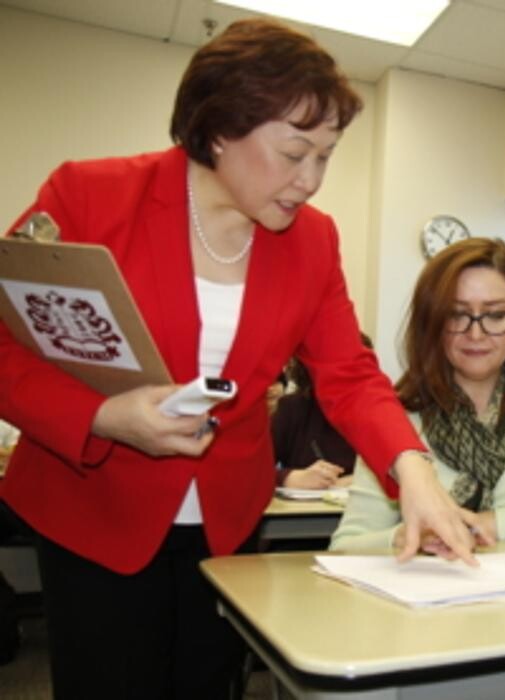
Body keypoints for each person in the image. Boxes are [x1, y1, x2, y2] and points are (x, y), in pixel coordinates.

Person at [0, 19, 474, 698]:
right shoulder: (89, 196)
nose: (310, 180)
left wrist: (414, 470)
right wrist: (102, 417)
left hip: (225, 521)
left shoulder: (312, 241)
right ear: (220, 129)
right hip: (94, 509)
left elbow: (348, 373)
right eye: (294, 153)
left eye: (326, 156)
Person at [330, 238, 505, 551]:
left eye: (496, 315)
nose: (476, 334)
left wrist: (481, 524)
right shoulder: (394, 415)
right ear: (432, 322)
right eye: (456, 314)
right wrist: (402, 536)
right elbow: (345, 546)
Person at [272, 357, 356, 490]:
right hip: (303, 502)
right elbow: (249, 471)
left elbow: (390, 471)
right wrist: (288, 478)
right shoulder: (291, 408)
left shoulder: (376, 412)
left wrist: (359, 481)